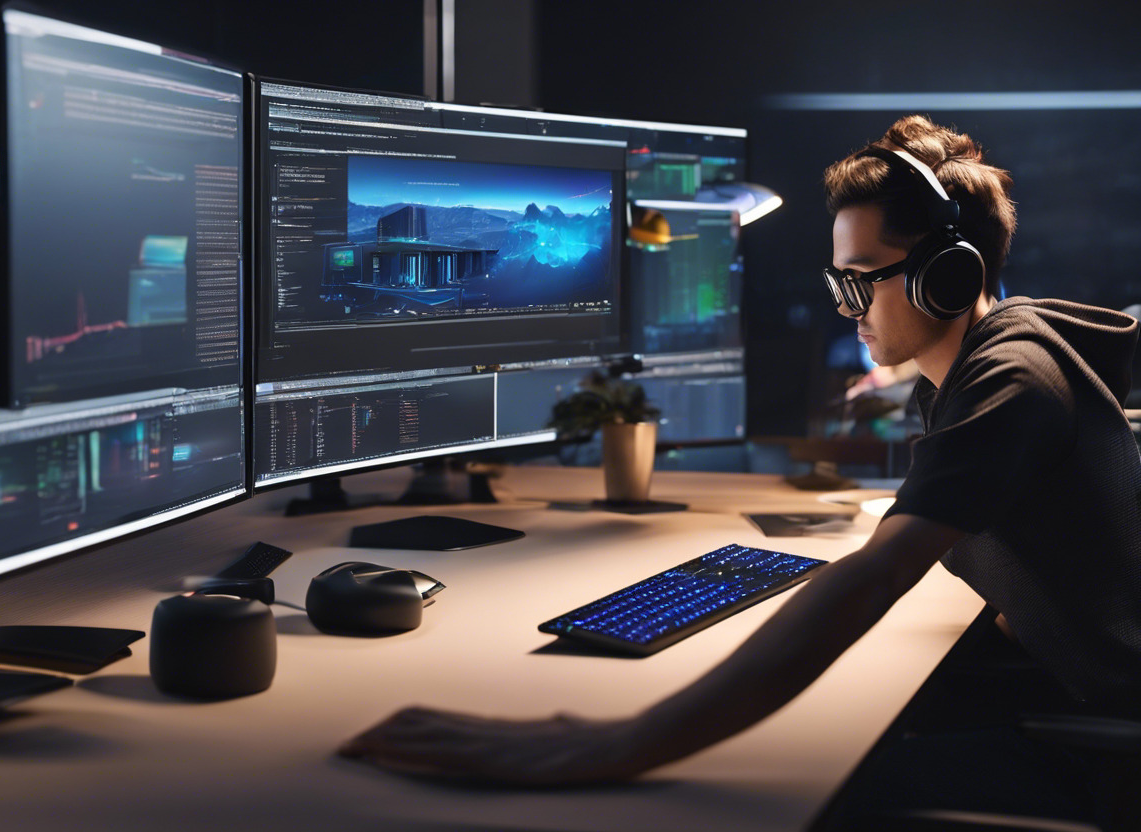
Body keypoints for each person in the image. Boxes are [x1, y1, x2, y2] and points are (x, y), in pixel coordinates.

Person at [338, 116, 1141, 796]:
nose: (845, 307)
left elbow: (876, 576)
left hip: (1101, 738)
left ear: (949, 277)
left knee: (811, 774)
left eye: (861, 281)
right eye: (838, 282)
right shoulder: (987, 358)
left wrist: (616, 743)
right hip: (1066, 683)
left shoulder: (1007, 380)